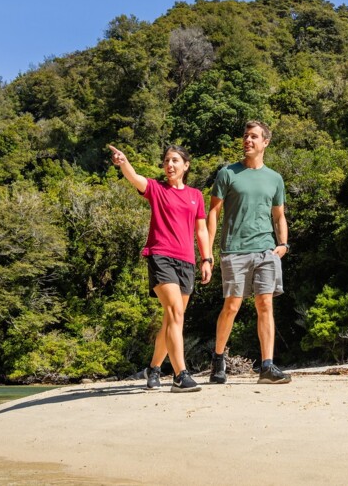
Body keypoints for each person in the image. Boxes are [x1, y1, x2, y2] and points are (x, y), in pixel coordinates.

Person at [109, 144, 212, 392]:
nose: (170, 165)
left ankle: (154, 369)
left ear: (186, 165)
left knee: (171, 320)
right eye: (166, 160)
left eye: (175, 160)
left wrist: (206, 258)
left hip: (186, 261)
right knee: (176, 312)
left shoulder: (195, 195)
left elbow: (201, 230)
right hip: (161, 256)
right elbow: (135, 178)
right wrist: (124, 162)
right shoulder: (156, 189)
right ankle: (180, 375)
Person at [206, 120, 291, 384]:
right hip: (234, 250)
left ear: (265, 142)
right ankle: (218, 358)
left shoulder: (275, 178)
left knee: (265, 304)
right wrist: (207, 253)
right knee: (232, 306)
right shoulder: (228, 174)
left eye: (254, 137)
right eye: (245, 136)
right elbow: (213, 212)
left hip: (266, 250)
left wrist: (284, 244)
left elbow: (279, 216)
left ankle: (267, 366)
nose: (248, 140)